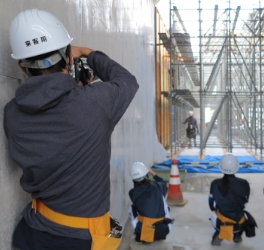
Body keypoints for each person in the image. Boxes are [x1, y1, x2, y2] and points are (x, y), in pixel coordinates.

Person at [4, 9, 139, 250]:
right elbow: (127, 81)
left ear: (22, 67)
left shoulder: (12, 113)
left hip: (31, 231)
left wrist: (76, 90)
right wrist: (89, 53)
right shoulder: (95, 104)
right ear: (68, 58)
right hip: (79, 240)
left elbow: (56, 124)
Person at [209, 153, 250, 246]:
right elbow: (245, 204)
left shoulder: (215, 183)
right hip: (239, 222)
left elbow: (211, 204)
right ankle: (237, 235)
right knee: (245, 216)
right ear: (236, 167)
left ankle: (219, 233)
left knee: (213, 213)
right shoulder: (244, 184)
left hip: (219, 221)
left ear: (221, 167)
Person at [128, 162, 173, 243]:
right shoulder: (158, 187)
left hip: (143, 233)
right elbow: (163, 182)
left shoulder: (132, 193)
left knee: (132, 208)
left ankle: (140, 233)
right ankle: (160, 233)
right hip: (164, 230)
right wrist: (152, 172)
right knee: (164, 204)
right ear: (146, 175)